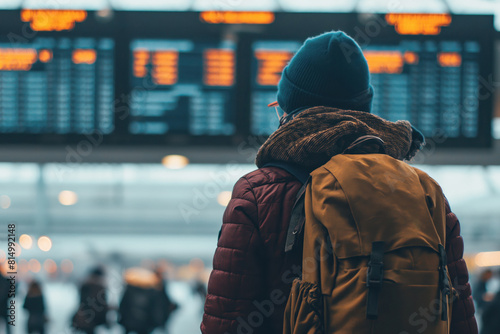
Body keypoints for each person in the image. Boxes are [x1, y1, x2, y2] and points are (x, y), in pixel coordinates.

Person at [201, 31, 477, 333]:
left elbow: (226, 322)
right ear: (363, 109)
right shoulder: (423, 193)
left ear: (289, 112)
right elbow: (460, 316)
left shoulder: (257, 193)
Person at [72, 267, 109, 334]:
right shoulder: (99, 288)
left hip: (86, 317)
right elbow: (102, 305)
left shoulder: (85, 286)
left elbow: (82, 302)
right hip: (93, 317)